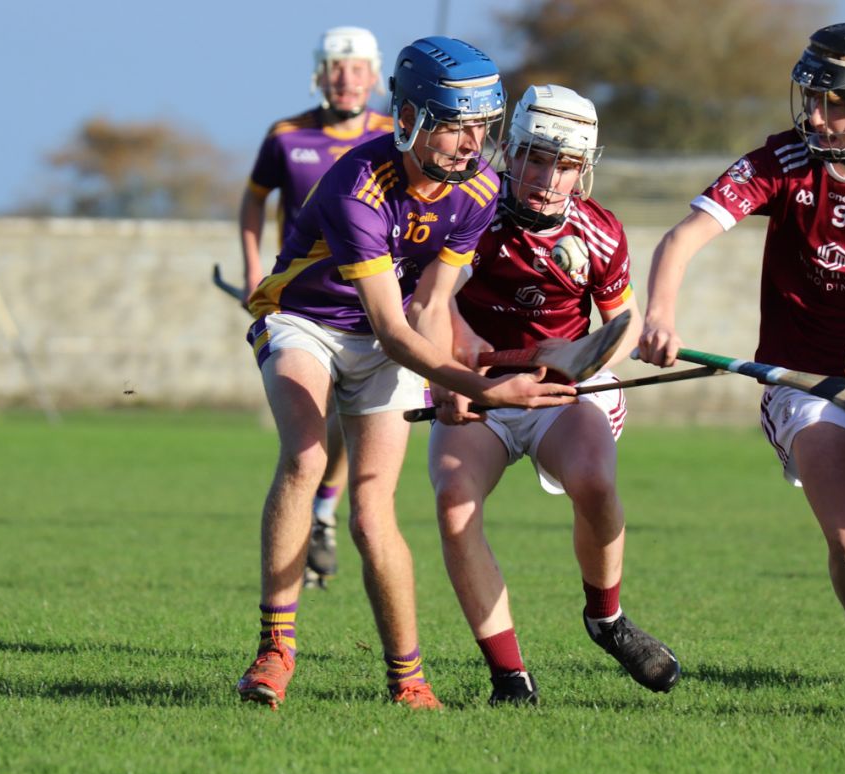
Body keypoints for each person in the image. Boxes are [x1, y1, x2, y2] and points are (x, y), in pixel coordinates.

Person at [236, 36, 577, 710]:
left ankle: (408, 679)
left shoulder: (479, 189)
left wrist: (450, 384)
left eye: (482, 127)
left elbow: (430, 304)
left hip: (384, 335)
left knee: (371, 514)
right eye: (454, 126)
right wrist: (479, 384)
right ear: (412, 120)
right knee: (306, 458)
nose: (470, 143)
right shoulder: (358, 186)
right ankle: (275, 649)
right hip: (305, 320)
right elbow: (392, 327)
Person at [639, 22, 845, 717]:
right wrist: (661, 315)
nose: (814, 115)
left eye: (836, 102)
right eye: (811, 97)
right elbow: (683, 237)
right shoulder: (783, 161)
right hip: (800, 374)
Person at [427, 84, 680, 706]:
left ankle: (607, 619)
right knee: (455, 503)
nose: (547, 178)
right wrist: (451, 374)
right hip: (479, 387)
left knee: (594, 480)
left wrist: (602, 349)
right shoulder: (468, 211)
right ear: (511, 153)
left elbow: (619, 325)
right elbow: (430, 306)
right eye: (537, 159)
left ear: (583, 170)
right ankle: (509, 676)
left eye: (565, 166)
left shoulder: (600, 232)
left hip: (560, 392)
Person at [239, 26, 394, 589]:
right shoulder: (286, 136)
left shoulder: (397, 137)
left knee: (349, 425)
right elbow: (253, 200)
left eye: (357, 68)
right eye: (336, 67)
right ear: (319, 72)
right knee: (313, 426)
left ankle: (323, 512)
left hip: (374, 301)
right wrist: (253, 269)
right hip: (305, 306)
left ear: (375, 77)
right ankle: (319, 513)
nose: (347, 79)